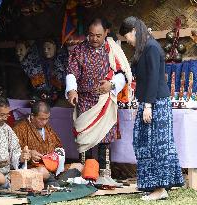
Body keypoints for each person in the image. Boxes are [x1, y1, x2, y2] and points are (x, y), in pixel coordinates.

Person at [119, 16, 184, 200]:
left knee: (157, 146)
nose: (128, 41)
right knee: (144, 144)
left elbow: (155, 78)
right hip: (148, 103)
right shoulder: (143, 49)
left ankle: (160, 189)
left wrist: (148, 105)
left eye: (127, 37)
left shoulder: (152, 47)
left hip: (156, 104)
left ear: (134, 31)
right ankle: (154, 186)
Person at [66, 17, 132, 185]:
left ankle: (104, 176)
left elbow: (123, 73)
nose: (94, 39)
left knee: (104, 139)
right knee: (85, 139)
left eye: (98, 35)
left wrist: (111, 85)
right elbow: (72, 72)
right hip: (85, 101)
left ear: (106, 33)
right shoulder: (79, 50)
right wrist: (72, 90)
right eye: (91, 35)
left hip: (105, 100)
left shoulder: (113, 49)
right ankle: (87, 176)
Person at [13, 101, 83, 184]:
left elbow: (58, 147)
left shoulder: (47, 128)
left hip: (53, 168)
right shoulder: (19, 129)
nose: (45, 122)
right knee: (42, 172)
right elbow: (14, 155)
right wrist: (30, 154)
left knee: (80, 166)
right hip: (34, 168)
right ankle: (57, 182)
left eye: (47, 119)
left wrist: (56, 155)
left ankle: (56, 181)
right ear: (32, 116)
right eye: (41, 119)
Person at [0, 96, 30, 188]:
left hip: (6, 175)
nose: (5, 118)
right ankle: (7, 186)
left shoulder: (7, 129)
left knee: (40, 171)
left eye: (7, 115)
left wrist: (21, 158)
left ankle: (7, 185)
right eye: (2, 115)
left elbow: (15, 151)